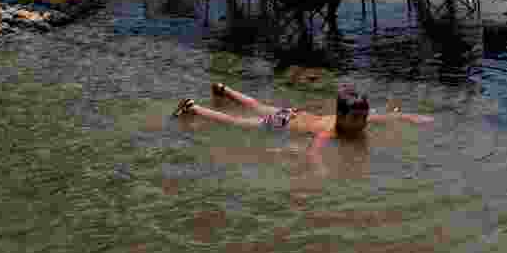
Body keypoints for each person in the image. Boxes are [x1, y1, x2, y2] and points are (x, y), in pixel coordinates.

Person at [173, 83, 434, 174]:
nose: (362, 123)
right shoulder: (331, 130)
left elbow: (385, 117)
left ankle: (223, 90)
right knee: (238, 122)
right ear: (341, 117)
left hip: (296, 114)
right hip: (284, 122)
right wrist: (319, 166)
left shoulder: (358, 120)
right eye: (356, 119)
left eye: (363, 118)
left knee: (257, 104)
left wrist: (411, 117)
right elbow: (314, 151)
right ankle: (194, 108)